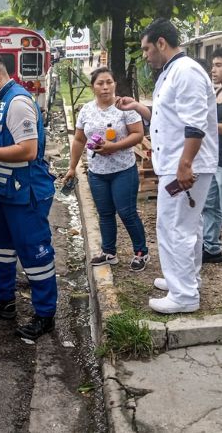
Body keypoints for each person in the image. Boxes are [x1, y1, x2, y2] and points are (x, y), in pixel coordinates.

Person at [116, 19, 219, 314]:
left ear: (162, 43)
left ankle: (184, 295)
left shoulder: (185, 72)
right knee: (188, 226)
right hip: (177, 162)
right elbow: (167, 117)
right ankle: (185, 280)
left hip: (184, 166)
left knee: (175, 227)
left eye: (147, 49)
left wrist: (185, 164)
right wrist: (137, 108)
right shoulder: (171, 72)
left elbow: (195, 124)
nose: (146, 55)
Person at [0, 52, 58, 340]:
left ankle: (45, 315)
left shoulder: (17, 102)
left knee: (34, 253)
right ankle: (5, 300)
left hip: (27, 192)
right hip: (8, 192)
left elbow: (28, 150)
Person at [63, 67, 149, 271]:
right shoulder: (86, 110)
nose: (105, 87)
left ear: (114, 85)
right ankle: (109, 252)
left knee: (126, 212)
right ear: (93, 87)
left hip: (123, 169)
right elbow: (79, 139)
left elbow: (138, 134)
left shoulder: (125, 106)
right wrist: (72, 167)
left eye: (109, 82)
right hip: (97, 172)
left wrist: (114, 147)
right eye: (100, 83)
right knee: (105, 213)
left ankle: (141, 252)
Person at [200, 48, 222, 263]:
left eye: (219, 65)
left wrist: (208, 126)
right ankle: (212, 246)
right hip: (214, 158)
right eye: (213, 65)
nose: (213, 70)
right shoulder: (215, 92)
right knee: (210, 205)